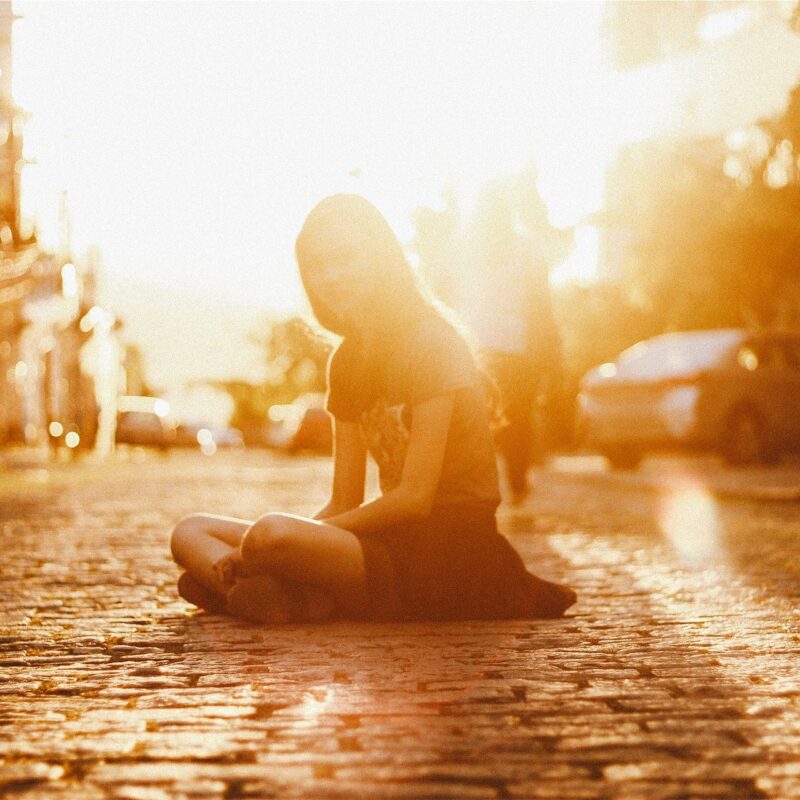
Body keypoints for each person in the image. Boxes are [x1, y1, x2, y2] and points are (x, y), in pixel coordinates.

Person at [170, 194, 576, 624]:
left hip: (452, 552)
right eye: (317, 265)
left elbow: (415, 499)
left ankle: (276, 592)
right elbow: (343, 498)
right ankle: (288, 596)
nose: (330, 275)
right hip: (387, 543)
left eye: (345, 258)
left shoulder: (433, 343)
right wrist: (290, 547)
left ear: (381, 257)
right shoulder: (346, 362)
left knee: (268, 534)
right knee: (191, 531)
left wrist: (272, 547)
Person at [454, 183, 563, 504]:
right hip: (515, 346)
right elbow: (541, 303)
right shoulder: (528, 249)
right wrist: (550, 348)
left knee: (474, 417)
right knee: (517, 419)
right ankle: (516, 484)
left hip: (471, 343)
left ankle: (474, 484)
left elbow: (439, 292)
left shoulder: (461, 248)